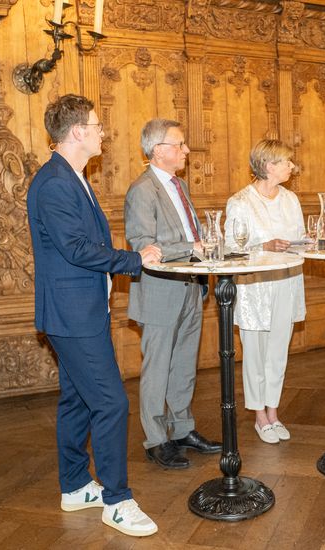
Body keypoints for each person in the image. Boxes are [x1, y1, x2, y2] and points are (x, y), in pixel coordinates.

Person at [27, 94, 160, 537]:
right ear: (78, 131)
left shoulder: (71, 177)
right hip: (72, 315)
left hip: (80, 310)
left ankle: (74, 485)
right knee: (112, 401)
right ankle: (118, 502)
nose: (104, 132)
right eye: (98, 125)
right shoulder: (54, 183)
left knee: (78, 399)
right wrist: (135, 259)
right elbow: (76, 249)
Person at [124, 118, 222, 470]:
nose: (186, 150)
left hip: (190, 289)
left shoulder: (178, 186)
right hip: (160, 292)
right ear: (158, 150)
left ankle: (182, 430)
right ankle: (156, 439)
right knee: (157, 369)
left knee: (183, 366)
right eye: (179, 144)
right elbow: (142, 244)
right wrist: (191, 246)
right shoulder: (142, 189)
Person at [223, 140, 306, 444]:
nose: (291, 167)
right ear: (269, 166)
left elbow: (298, 238)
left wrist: (306, 242)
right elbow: (231, 249)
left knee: (278, 352)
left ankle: (274, 412)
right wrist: (264, 246)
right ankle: (259, 416)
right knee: (255, 354)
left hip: (285, 282)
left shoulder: (290, 199)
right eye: (286, 162)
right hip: (254, 287)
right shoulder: (240, 202)